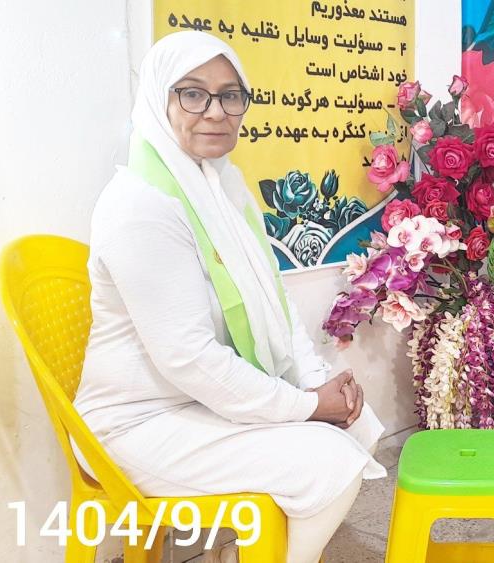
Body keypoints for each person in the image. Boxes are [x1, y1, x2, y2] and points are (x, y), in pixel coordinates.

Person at [72, 31, 385, 563]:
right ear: (159, 99)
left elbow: (274, 303)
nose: (215, 111)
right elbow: (188, 357)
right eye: (193, 94)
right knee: (330, 463)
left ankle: (245, 552)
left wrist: (314, 383)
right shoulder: (141, 207)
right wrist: (308, 407)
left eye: (230, 95)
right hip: (135, 424)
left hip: (193, 402)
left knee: (360, 427)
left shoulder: (223, 188)